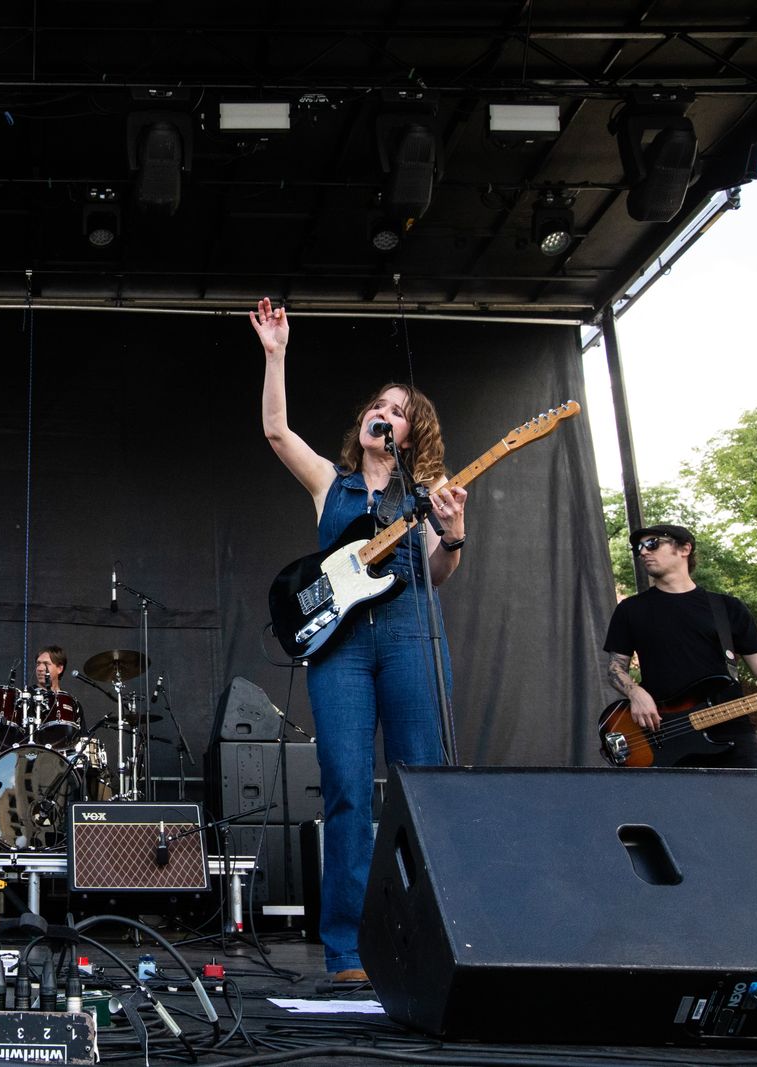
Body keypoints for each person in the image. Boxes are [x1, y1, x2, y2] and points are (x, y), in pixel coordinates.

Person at [251, 296, 468, 983]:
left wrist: (453, 535)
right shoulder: (332, 485)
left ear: (412, 433)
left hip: (411, 636)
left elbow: (436, 575)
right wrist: (277, 354)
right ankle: (347, 951)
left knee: (422, 784)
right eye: (379, 405)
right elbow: (277, 431)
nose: (384, 413)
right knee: (346, 789)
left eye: (398, 410)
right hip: (341, 648)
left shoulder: (427, 492)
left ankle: (426, 940)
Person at [603, 523, 757, 767]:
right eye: (639, 548)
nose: (643, 552)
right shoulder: (631, 609)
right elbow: (615, 668)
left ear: (684, 549)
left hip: (733, 730)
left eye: (652, 544)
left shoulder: (727, 608)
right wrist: (636, 693)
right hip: (666, 735)